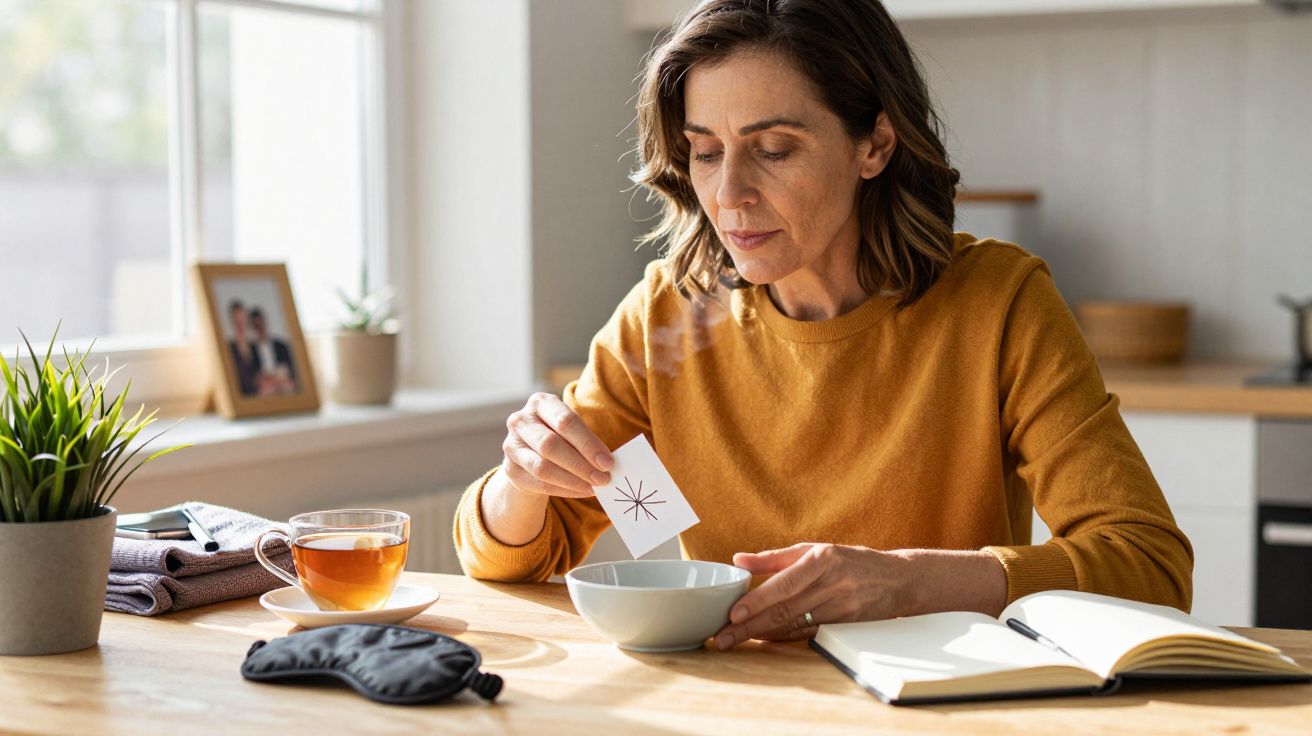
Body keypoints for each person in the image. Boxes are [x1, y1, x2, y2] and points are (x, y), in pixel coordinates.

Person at [452, 0, 1192, 651]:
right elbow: (510, 557)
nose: (730, 194)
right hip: (734, 705)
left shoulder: (998, 303)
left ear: (875, 143)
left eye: (773, 150)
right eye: (705, 152)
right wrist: (523, 481)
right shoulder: (670, 317)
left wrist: (905, 582)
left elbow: (1149, 567)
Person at [249, 308, 297, 396]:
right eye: (257, 326)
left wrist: (280, 377)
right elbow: (254, 374)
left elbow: (290, 368)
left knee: (287, 388)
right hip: (265, 385)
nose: (260, 329)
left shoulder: (281, 345)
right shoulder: (251, 350)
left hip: (283, 380)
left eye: (261, 325)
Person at [227, 300, 260, 397]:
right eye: (237, 319)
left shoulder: (254, 345)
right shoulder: (229, 347)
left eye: (242, 318)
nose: (240, 323)